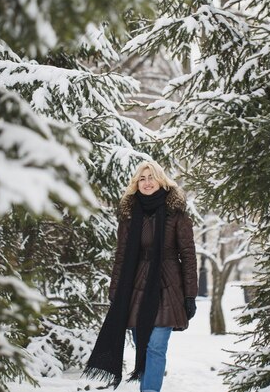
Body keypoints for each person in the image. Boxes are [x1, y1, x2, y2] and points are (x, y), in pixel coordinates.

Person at [84, 160, 198, 392]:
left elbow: (188, 256)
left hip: (168, 283)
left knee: (156, 345)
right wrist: (115, 290)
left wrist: (190, 295)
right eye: (142, 179)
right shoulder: (129, 215)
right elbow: (122, 255)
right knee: (142, 344)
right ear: (136, 183)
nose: (147, 182)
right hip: (135, 283)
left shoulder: (176, 214)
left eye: (151, 177)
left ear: (161, 180)